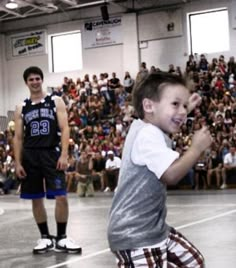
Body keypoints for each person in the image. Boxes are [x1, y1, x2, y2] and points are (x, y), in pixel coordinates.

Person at [107, 72, 212, 267]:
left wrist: (187, 107)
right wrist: (196, 148)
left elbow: (164, 119)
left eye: (184, 105)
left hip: (154, 228)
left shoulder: (147, 127)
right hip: (135, 234)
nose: (182, 111)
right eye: (175, 104)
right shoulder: (147, 134)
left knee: (193, 262)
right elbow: (170, 175)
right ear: (149, 106)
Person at [13, 66, 82, 254]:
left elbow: (65, 128)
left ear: (42, 80)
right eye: (31, 79)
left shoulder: (55, 101)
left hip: (52, 153)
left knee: (61, 195)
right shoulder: (21, 107)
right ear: (26, 82)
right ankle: (45, 237)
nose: (35, 82)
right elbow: (18, 138)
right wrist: (18, 162)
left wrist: (64, 154)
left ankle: (61, 238)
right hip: (30, 155)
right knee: (36, 198)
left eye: (37, 78)